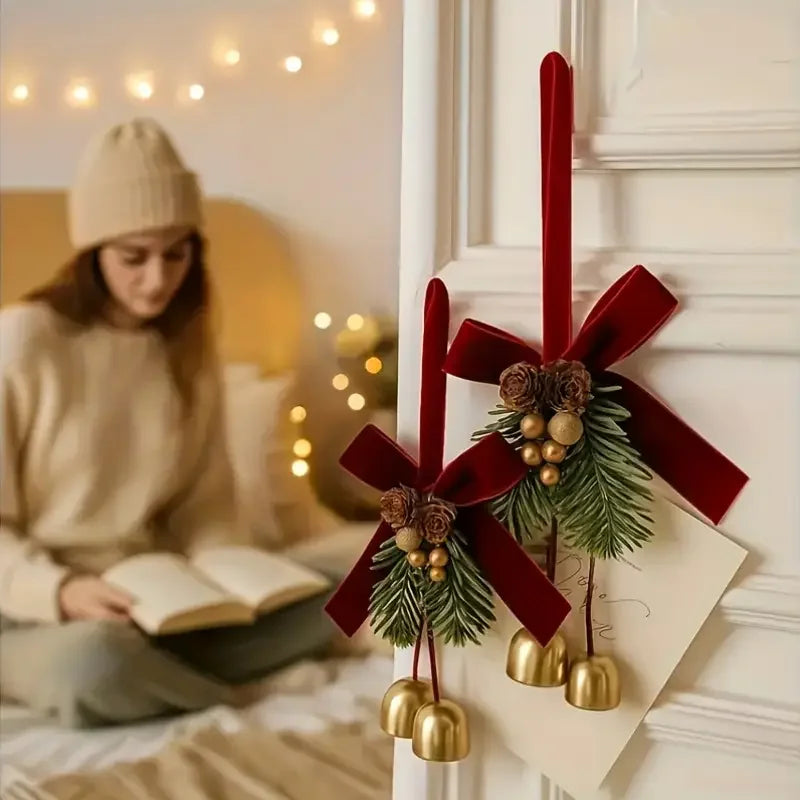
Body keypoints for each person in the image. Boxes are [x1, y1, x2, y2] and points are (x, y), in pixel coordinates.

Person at [0, 118, 335, 728]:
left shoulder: (185, 343)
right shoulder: (25, 340)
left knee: (350, 584)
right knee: (94, 667)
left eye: (176, 253)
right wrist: (61, 591)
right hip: (34, 611)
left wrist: (229, 582)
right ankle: (232, 698)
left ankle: (172, 677)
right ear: (91, 252)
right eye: (133, 257)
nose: (157, 279)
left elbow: (204, 507)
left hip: (148, 600)